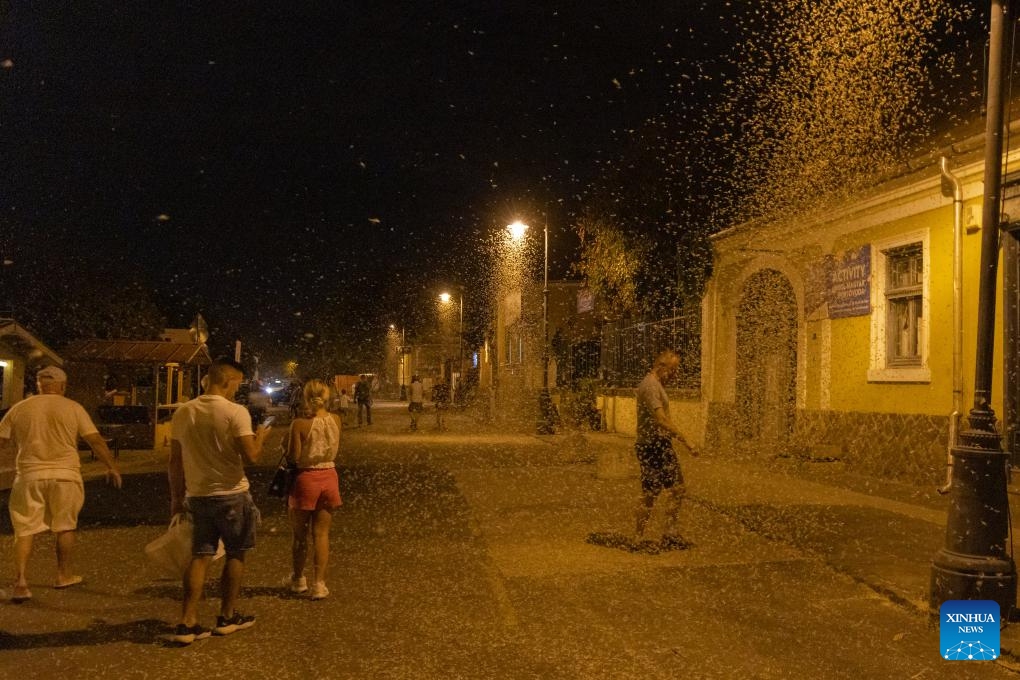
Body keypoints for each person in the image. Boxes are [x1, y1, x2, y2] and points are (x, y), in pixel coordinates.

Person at [168, 358, 271, 644]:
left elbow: (174, 461)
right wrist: (261, 436)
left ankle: (187, 622)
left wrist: (176, 498)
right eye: (237, 382)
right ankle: (227, 616)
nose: (238, 388)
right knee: (236, 553)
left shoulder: (184, 412)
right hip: (232, 495)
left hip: (197, 496)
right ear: (226, 380)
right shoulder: (235, 412)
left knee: (199, 556)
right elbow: (251, 456)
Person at [0, 366, 122, 603]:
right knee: (65, 526)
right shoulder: (73, 408)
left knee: (25, 529)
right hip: (66, 475)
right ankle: (62, 574)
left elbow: (1, 441)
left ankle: (21, 582)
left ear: (38, 385)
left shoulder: (20, 408)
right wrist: (111, 466)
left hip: (29, 475)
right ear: (63, 386)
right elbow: (94, 439)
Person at [282, 379, 342, 600]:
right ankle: (319, 584)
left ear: (305, 397)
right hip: (329, 477)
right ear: (327, 397)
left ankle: (298, 579)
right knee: (321, 534)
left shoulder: (299, 424)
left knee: (299, 535)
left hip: (306, 479)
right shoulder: (336, 420)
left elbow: (294, 457)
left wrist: (284, 444)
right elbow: (334, 449)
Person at [633, 350, 698, 550]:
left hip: (661, 445)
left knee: (677, 489)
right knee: (650, 494)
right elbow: (660, 419)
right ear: (661, 367)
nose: (674, 375)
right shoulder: (651, 386)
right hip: (651, 446)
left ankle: (670, 533)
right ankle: (637, 538)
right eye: (672, 370)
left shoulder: (656, 384)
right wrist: (686, 440)